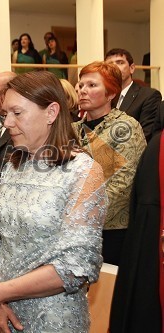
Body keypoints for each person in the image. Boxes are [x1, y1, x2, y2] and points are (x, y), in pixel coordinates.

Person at [0, 71, 108, 333]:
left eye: (17, 113)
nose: (8, 123)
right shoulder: (14, 165)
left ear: (51, 112)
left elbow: (76, 264)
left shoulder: (84, 172)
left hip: (51, 319)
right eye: (5, 115)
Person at [72, 61, 146, 265]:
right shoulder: (72, 129)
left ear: (111, 93)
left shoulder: (125, 127)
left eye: (92, 85)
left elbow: (122, 185)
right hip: (72, 229)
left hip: (112, 231)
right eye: (81, 85)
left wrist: (82, 217)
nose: (82, 90)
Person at [110, 130, 164, 333]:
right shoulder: (159, 145)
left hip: (113, 225)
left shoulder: (123, 128)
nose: (82, 95)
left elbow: (120, 184)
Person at [105, 48, 162, 142]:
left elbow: (145, 135)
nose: (114, 67)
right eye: (110, 64)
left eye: (120, 62)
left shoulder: (148, 96)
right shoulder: (103, 97)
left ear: (132, 68)